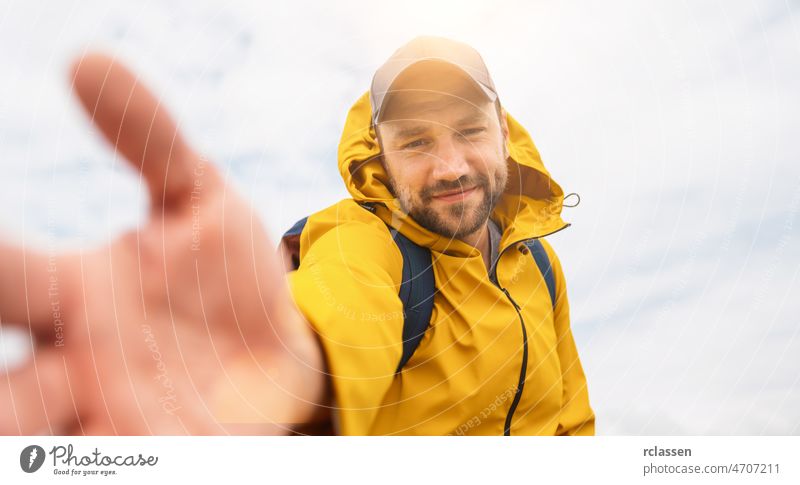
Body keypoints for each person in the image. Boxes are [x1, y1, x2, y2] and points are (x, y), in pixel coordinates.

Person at [0, 36, 593, 436]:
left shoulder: (538, 263)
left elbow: (572, 423)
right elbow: (330, 325)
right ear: (378, 156)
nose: (451, 167)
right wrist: (285, 377)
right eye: (415, 142)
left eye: (469, 131)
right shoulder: (364, 242)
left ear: (504, 133)